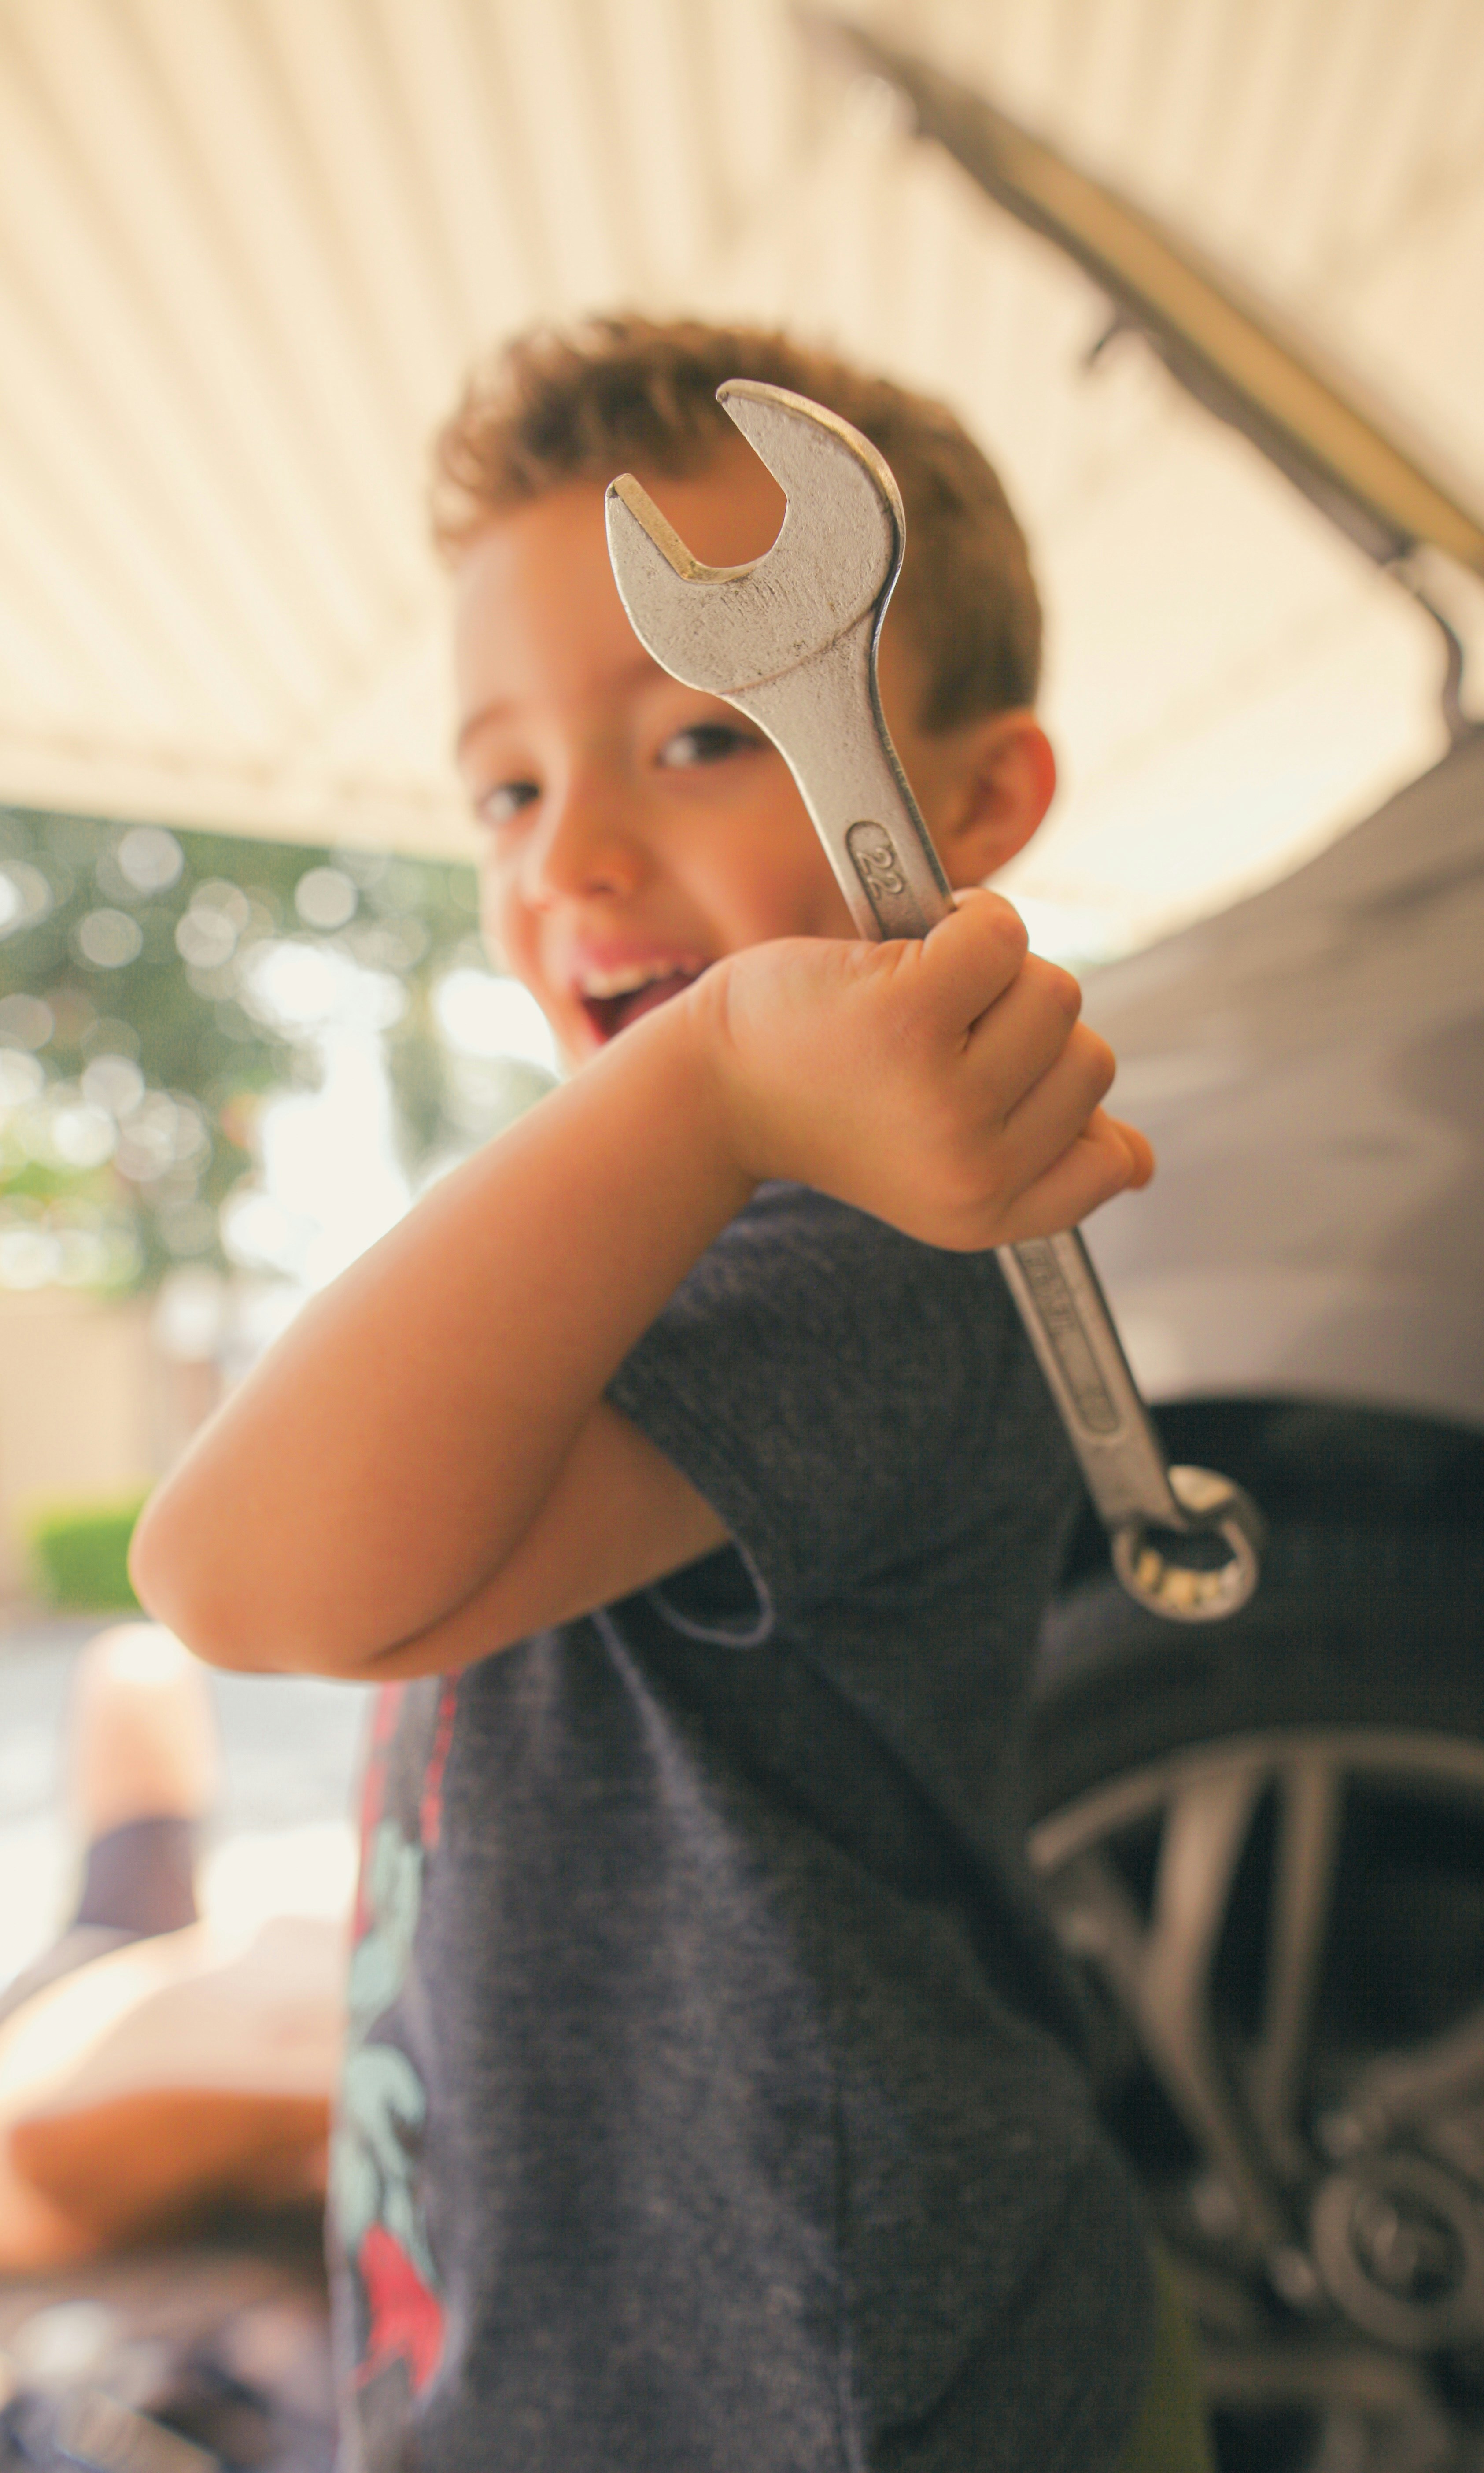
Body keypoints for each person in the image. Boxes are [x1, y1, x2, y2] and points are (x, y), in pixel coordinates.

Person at [130, 318, 1210, 2473]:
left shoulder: (879, 1259)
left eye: (705, 737)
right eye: (509, 784)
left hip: (849, 2398)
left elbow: (241, 1578)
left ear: (976, 799)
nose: (574, 861)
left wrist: (713, 1085)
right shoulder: (651, 1224)